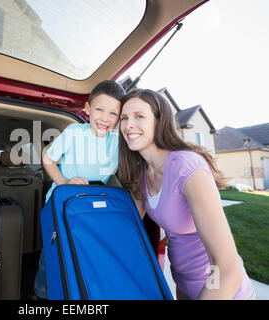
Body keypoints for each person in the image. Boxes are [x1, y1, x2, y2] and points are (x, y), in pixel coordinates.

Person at [117, 88, 255, 300]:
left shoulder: (187, 167)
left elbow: (227, 271)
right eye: (124, 118)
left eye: (139, 116)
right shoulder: (143, 172)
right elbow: (127, 226)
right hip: (184, 287)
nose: (128, 125)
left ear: (159, 121)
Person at [34, 80, 126, 299]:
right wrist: (64, 184)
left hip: (91, 207)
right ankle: (42, 294)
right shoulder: (75, 132)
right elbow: (48, 159)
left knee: (83, 255)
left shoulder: (118, 142)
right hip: (62, 204)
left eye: (113, 113)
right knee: (55, 253)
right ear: (88, 108)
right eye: (100, 110)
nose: (105, 118)